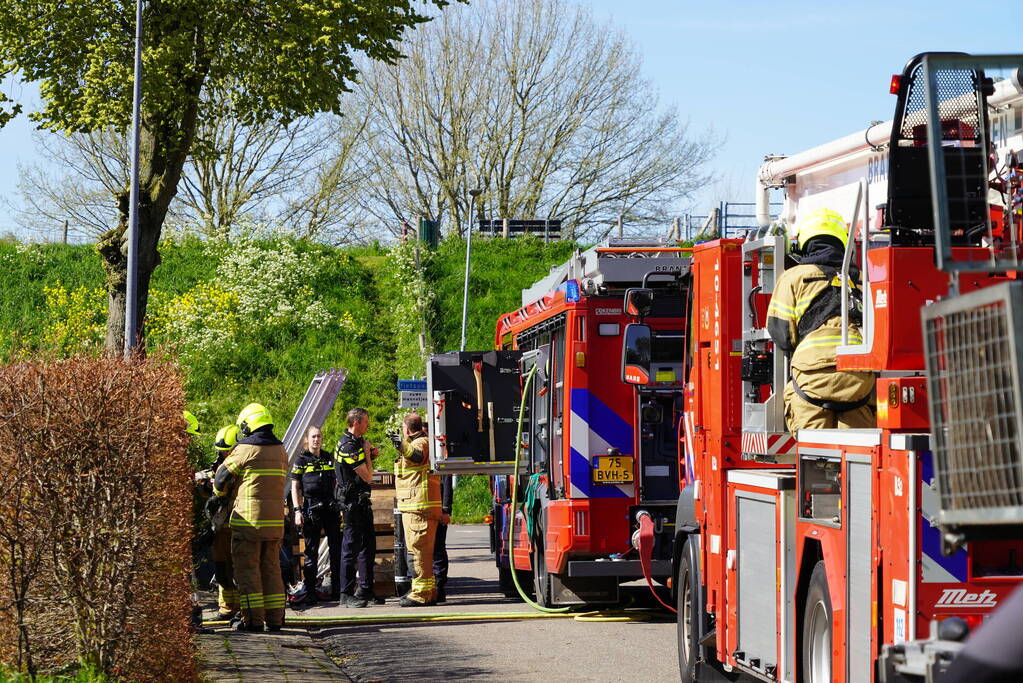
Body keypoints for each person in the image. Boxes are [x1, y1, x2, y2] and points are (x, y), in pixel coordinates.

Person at [767, 208, 876, 432]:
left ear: (804, 243)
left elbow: (781, 332)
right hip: (858, 377)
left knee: (815, 452)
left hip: (811, 378)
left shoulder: (793, 277)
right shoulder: (860, 280)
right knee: (859, 451)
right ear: (844, 243)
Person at [211, 403, 288, 632]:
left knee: (248, 571)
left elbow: (220, 478)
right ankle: (275, 620)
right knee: (272, 570)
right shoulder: (281, 449)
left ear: (247, 424)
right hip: (274, 524)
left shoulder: (245, 449)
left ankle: (252, 621)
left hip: (249, 523)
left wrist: (219, 495)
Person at [289, 425, 342, 606]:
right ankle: (310, 591)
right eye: (313, 437)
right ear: (307, 439)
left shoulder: (328, 458)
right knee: (310, 552)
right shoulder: (301, 460)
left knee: (336, 550)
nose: (316, 440)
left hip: (330, 509)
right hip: (311, 510)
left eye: (319, 436)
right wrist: (297, 511)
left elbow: (337, 481)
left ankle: (338, 590)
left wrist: (339, 505)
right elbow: (295, 487)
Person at [394, 412, 442, 607]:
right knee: (423, 551)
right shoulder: (421, 441)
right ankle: (428, 591)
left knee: (417, 552)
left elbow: (417, 456)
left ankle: (420, 594)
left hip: (418, 507)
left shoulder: (420, 443)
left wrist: (401, 445)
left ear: (407, 429)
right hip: (419, 506)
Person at [334, 408, 378, 608]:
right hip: (351, 503)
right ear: (356, 422)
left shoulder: (357, 442)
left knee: (368, 545)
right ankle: (346, 593)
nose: (368, 425)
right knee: (350, 547)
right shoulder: (347, 445)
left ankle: (366, 589)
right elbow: (368, 476)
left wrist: (369, 453)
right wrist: (368, 454)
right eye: (366, 422)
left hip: (362, 502)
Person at [205, 425, 241, 619]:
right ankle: (226, 608)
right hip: (220, 528)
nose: (223, 454)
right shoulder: (219, 464)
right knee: (221, 569)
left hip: (237, 524)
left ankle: (242, 609)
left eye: (226, 450)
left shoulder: (241, 465)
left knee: (238, 569)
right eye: (221, 450)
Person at [433, 475, 454, 603]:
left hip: (438, 510)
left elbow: (447, 482)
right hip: (422, 510)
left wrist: (446, 509)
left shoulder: (438, 456)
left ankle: (439, 586)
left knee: (438, 548)